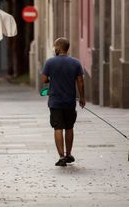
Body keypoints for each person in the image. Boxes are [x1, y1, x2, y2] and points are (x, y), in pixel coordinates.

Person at [41, 37, 85, 167]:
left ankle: (61, 156)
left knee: (58, 128)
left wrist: (52, 80)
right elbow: (80, 82)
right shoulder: (76, 63)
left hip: (55, 102)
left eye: (55, 46)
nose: (54, 48)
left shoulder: (50, 62)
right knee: (69, 127)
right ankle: (68, 154)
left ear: (58, 48)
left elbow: (44, 80)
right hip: (70, 101)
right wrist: (82, 97)